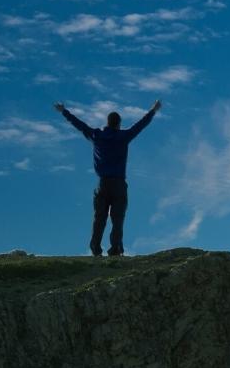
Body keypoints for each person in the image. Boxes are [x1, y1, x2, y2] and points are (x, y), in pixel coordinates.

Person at [54, 100, 161, 257]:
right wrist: (153, 110)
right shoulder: (123, 136)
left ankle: (96, 249)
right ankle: (115, 249)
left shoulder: (97, 135)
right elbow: (140, 125)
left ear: (108, 122)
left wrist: (64, 111)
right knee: (118, 219)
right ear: (119, 124)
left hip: (102, 183)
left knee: (99, 218)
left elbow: (80, 125)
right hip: (118, 184)